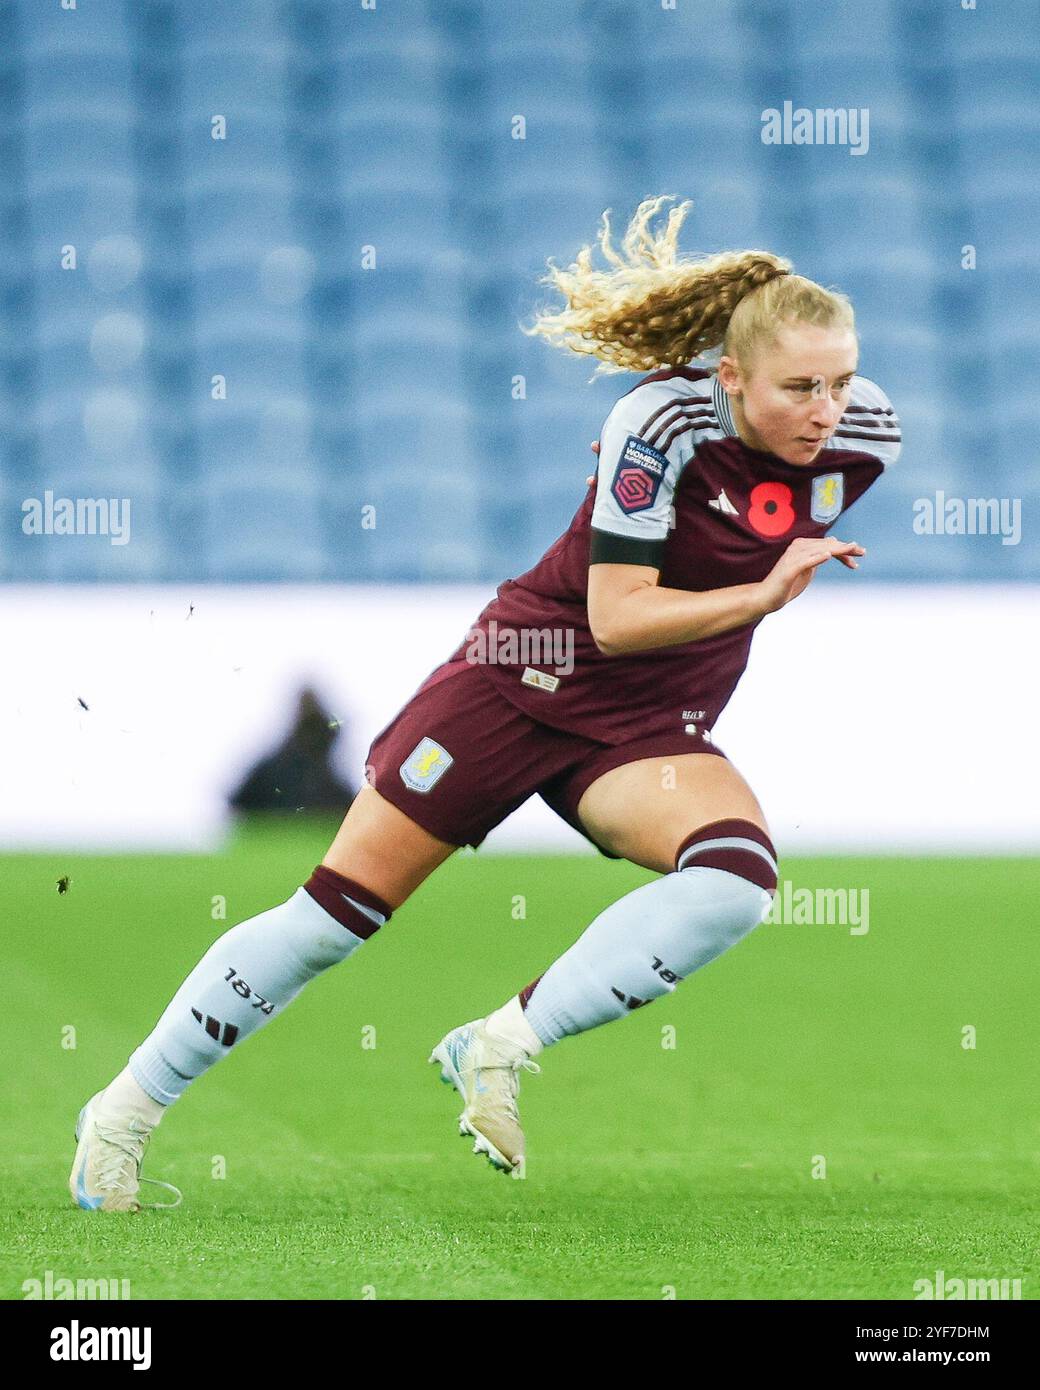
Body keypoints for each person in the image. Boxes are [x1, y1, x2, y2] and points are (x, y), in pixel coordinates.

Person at [69, 196, 901, 1208]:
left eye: (841, 380)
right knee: (333, 917)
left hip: (644, 730)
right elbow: (615, 619)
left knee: (733, 879)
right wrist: (762, 596)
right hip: (521, 677)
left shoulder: (865, 439)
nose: (826, 409)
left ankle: (501, 1040)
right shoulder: (657, 419)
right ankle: (122, 1113)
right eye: (799, 385)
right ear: (729, 377)